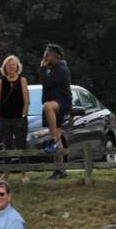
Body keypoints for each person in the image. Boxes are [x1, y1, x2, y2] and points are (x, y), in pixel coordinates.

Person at [0, 55, 30, 184]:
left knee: (21, 145)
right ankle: (6, 173)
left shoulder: (22, 80)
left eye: (13, 64)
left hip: (19, 118)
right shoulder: (1, 81)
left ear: (17, 67)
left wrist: (23, 116)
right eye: (9, 65)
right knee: (6, 146)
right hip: (4, 118)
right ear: (5, 67)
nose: (11, 67)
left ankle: (24, 173)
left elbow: (27, 102)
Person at [39, 43, 72, 180]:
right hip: (54, 106)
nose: (45, 57)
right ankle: (60, 170)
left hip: (62, 103)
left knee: (47, 106)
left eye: (47, 54)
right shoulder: (52, 68)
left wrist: (42, 68)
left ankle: (53, 140)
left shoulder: (61, 68)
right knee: (57, 134)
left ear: (55, 56)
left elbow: (47, 83)